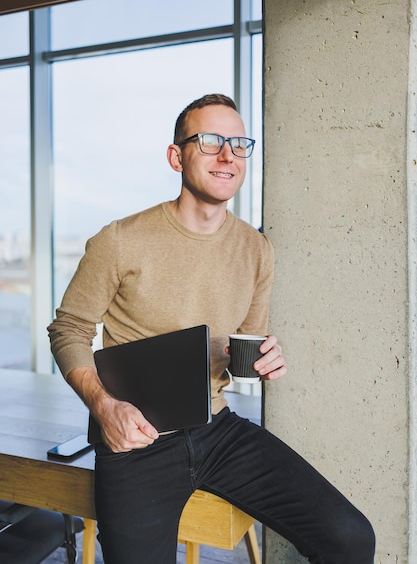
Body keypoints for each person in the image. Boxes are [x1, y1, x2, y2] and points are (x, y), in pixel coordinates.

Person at [48, 93, 375, 564]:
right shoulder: (119, 240)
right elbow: (69, 329)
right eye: (210, 141)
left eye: (239, 143)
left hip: (218, 428)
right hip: (135, 439)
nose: (228, 155)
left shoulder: (256, 249)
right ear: (176, 156)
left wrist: (265, 358)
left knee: (350, 536)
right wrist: (104, 407)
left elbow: (242, 343)